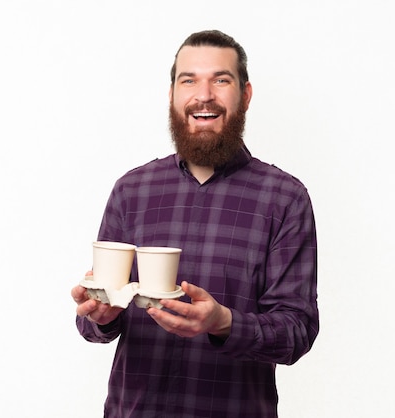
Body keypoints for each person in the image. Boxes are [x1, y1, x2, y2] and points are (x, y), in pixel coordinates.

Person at [71, 29, 318, 417]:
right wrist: (100, 315)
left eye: (221, 80)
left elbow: (297, 331)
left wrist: (224, 322)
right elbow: (95, 322)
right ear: (172, 95)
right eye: (189, 80)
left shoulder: (285, 198)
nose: (204, 95)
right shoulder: (131, 191)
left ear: (245, 95)